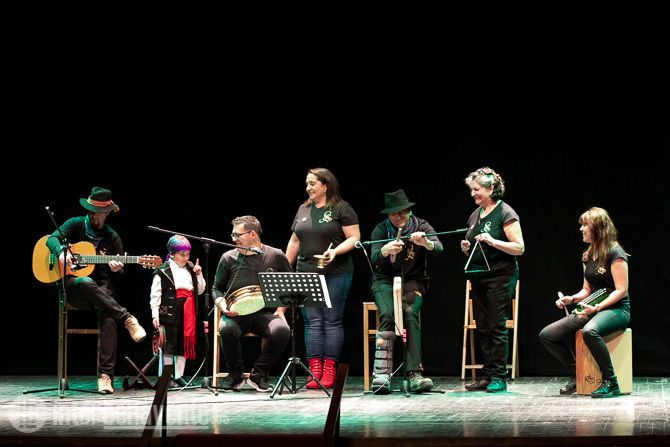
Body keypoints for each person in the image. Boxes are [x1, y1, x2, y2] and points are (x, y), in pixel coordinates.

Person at [45, 186, 147, 394]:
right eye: (91, 210)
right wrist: (61, 252)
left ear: (107, 213)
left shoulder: (112, 237)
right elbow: (51, 239)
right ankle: (127, 318)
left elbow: (119, 276)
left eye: (98, 212)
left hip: (102, 291)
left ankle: (105, 377)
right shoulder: (74, 224)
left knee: (109, 315)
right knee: (84, 281)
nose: (93, 215)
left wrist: (117, 269)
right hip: (74, 287)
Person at [539, 207, 630, 398]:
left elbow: (621, 290)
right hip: (591, 308)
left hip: (616, 310)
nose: (581, 229)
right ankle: (577, 374)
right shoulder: (588, 255)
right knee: (547, 335)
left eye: (584, 225)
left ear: (598, 228)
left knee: (590, 331)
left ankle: (611, 382)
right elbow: (587, 290)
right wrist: (571, 299)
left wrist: (597, 308)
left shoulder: (615, 253)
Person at [286, 167, 360, 389]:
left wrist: (335, 251)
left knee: (331, 319)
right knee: (312, 321)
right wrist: (284, 267)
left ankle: (329, 369)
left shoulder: (341, 208)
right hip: (306, 271)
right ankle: (314, 369)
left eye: (312, 184)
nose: (308, 188)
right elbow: (295, 241)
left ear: (325, 185)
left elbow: (354, 237)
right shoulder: (303, 209)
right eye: (307, 184)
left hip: (336, 272)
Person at [369, 190, 443, 394]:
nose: (398, 216)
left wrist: (425, 243)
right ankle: (382, 373)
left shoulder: (421, 226)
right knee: (389, 313)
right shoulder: (381, 230)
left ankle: (414, 373)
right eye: (393, 213)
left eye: (402, 212)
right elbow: (373, 257)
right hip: (383, 281)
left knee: (409, 311)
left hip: (413, 282)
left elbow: (439, 248)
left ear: (409, 211)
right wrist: (385, 250)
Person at [460, 167, 525, 393]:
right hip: (479, 277)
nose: (473, 194)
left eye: (477, 189)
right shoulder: (475, 214)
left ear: (490, 189)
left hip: (500, 276)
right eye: (471, 190)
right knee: (482, 326)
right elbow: (475, 246)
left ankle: (499, 376)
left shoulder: (505, 212)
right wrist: (466, 247)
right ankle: (487, 374)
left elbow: (519, 248)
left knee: (496, 326)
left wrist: (492, 241)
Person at [212, 216, 291, 392]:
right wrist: (224, 307)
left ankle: (259, 373)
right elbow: (216, 289)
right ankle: (235, 375)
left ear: (252, 234)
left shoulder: (275, 255)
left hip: (266, 314)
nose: (234, 239)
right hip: (236, 314)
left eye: (237, 234)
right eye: (233, 235)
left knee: (282, 330)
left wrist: (281, 309)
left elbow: (289, 286)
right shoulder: (228, 258)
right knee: (226, 328)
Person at [150, 235, 206, 388]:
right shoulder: (163, 271)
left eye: (188, 254)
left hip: (187, 311)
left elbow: (200, 290)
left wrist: (199, 274)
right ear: (172, 254)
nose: (186, 258)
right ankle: (166, 377)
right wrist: (155, 314)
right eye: (182, 254)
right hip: (169, 312)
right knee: (168, 345)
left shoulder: (190, 269)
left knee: (183, 344)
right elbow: (155, 295)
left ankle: (179, 376)